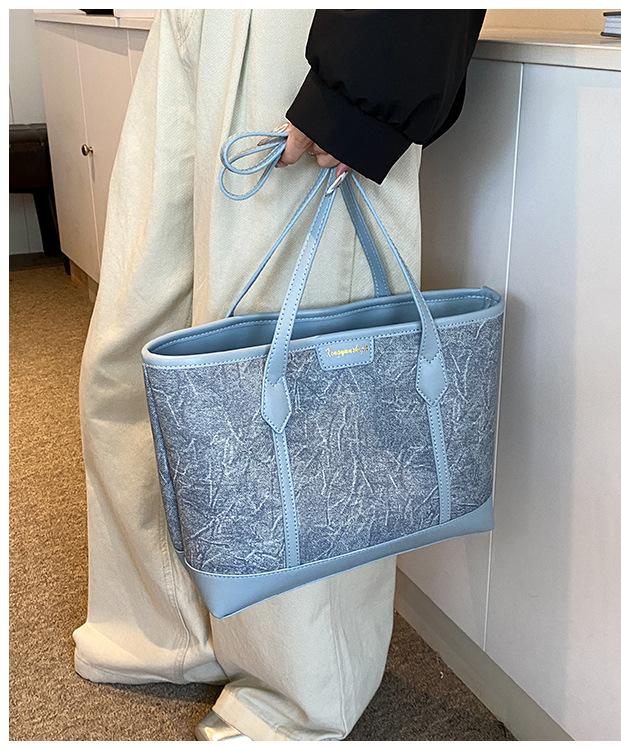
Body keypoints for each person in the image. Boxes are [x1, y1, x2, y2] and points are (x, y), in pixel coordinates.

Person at [75, 9, 485, 741]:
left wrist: (363, 84)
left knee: (299, 386)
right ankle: (171, 624)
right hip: (194, 21)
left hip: (312, 33)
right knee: (140, 335)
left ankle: (303, 689)